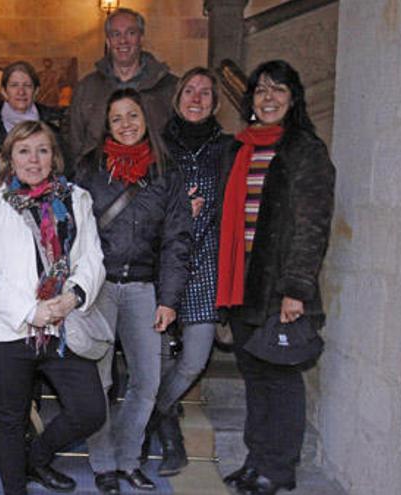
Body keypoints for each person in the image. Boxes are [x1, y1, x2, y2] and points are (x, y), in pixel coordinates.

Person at [218, 60, 335, 495]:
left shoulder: (304, 149)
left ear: (293, 97)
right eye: (261, 90)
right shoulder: (239, 148)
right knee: (254, 379)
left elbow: (312, 226)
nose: (268, 98)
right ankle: (256, 460)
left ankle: (279, 469)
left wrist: (295, 289)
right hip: (241, 283)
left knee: (280, 379)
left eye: (278, 90)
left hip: (279, 286)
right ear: (250, 99)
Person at [0, 120, 107, 495]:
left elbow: (92, 257)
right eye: (24, 151)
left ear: (55, 156)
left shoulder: (76, 198)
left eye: (42, 150)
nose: (34, 159)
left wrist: (73, 296)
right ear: (9, 158)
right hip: (8, 327)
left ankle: (37, 457)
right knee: (10, 419)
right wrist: (31, 311)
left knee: (90, 410)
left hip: (62, 326)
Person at [75, 88, 193, 494]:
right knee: (99, 382)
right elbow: (74, 232)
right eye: (117, 119)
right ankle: (103, 462)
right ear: (106, 126)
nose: (126, 125)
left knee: (147, 380)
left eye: (133, 116)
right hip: (99, 287)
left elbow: (178, 239)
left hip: (144, 287)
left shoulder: (166, 171)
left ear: (146, 119)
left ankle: (128, 459)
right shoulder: (90, 168)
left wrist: (169, 299)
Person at [145, 67, 236, 477]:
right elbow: (140, 207)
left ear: (216, 103)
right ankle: (170, 438)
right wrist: (177, 211)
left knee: (195, 357)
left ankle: (154, 413)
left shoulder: (229, 149)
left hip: (207, 267)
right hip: (162, 265)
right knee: (157, 358)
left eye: (205, 93)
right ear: (177, 97)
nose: (196, 98)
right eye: (189, 91)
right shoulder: (157, 146)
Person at [68, 7, 179, 161]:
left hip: (157, 180)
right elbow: (74, 143)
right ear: (108, 41)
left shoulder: (169, 87)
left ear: (141, 38)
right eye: (116, 34)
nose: (123, 41)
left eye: (131, 33)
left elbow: (179, 142)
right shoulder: (86, 88)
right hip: (97, 180)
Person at [0, 61, 67, 160]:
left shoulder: (54, 120)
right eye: (14, 85)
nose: (21, 92)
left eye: (27, 85)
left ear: (36, 91)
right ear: (4, 91)